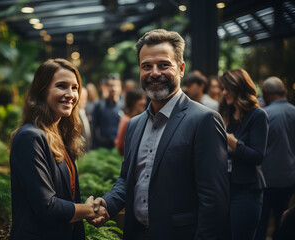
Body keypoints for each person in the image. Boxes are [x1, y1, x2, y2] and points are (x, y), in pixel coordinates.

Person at [91, 29, 229, 239]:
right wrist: (107, 203)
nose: (154, 73)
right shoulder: (134, 125)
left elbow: (214, 202)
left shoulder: (204, 120)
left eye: (164, 65)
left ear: (181, 69)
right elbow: (127, 179)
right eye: (147, 66)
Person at [10, 59, 109, 240]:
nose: (70, 94)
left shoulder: (60, 135)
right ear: (42, 90)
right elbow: (47, 206)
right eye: (61, 86)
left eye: (74, 88)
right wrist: (89, 210)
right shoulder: (30, 137)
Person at [219, 69, 269, 240]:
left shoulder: (258, 115)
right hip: (225, 188)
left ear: (239, 88)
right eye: (222, 88)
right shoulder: (226, 113)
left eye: (227, 89)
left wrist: (233, 142)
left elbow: (257, 156)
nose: (224, 93)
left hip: (247, 190)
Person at [255, 76, 295, 240]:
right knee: (282, 219)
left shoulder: (264, 115)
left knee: (261, 221)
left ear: (265, 93)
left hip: (267, 179)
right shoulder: (293, 111)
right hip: (290, 178)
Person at [92, 74, 123, 149]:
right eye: (110, 85)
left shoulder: (125, 106)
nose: (113, 89)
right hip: (102, 148)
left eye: (116, 85)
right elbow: (94, 127)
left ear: (120, 87)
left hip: (120, 149)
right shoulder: (99, 106)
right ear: (106, 87)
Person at [114, 89, 146, 155]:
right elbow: (120, 144)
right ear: (133, 102)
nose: (144, 102)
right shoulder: (126, 120)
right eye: (141, 99)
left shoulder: (139, 119)